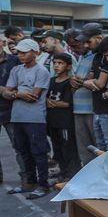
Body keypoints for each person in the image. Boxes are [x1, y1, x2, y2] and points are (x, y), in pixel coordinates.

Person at [2, 39, 51, 199]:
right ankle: (30, 182)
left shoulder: (41, 71)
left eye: (25, 52)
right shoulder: (16, 69)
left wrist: (15, 93)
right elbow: (7, 92)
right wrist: (19, 93)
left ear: (35, 53)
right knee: (23, 151)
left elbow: (33, 96)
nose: (21, 55)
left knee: (39, 152)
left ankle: (43, 185)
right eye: (20, 52)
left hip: (35, 118)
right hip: (17, 117)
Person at [77, 23, 108, 151]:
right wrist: (88, 82)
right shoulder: (96, 56)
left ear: (99, 38)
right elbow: (90, 79)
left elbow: (99, 84)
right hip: (97, 109)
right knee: (100, 147)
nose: (86, 45)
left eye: (88, 41)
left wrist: (84, 83)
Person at [46, 53, 80, 183]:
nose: (56, 66)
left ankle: (71, 174)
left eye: (60, 63)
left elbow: (66, 103)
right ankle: (63, 171)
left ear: (68, 66)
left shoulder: (69, 82)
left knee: (68, 148)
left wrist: (49, 102)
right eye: (54, 63)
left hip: (65, 122)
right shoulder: (51, 81)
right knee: (58, 148)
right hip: (52, 121)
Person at [68, 28, 96, 166]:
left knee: (98, 148)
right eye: (71, 46)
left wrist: (81, 82)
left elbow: (93, 81)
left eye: (75, 45)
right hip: (78, 110)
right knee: (84, 151)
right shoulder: (82, 58)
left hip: (92, 110)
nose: (74, 49)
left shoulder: (96, 57)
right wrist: (73, 81)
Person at [0, 35, 24, 185]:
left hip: (12, 110)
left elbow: (23, 81)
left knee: (19, 146)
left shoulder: (14, 61)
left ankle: (26, 179)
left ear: (2, 43)